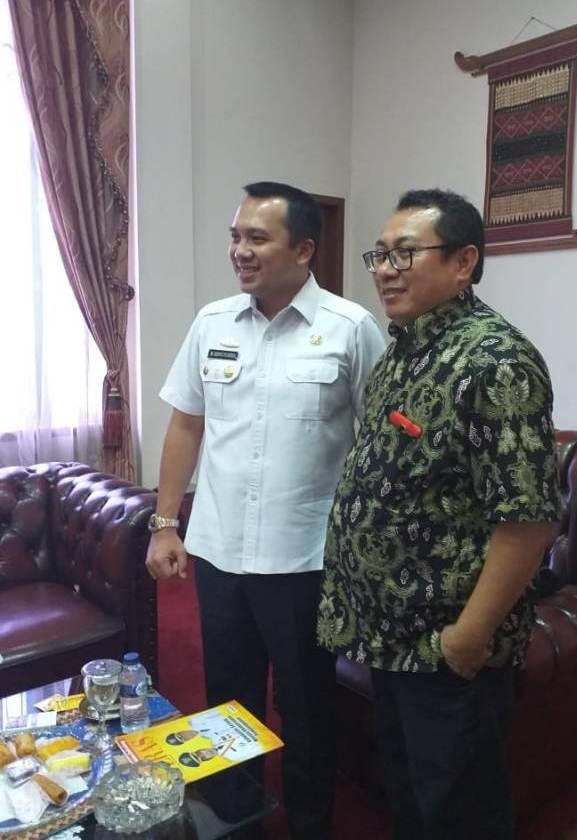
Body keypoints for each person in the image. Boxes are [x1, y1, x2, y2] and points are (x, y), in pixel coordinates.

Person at [317, 188, 562, 840]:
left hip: (445, 647)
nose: (385, 269)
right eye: (379, 254)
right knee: (408, 795)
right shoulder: (404, 350)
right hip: (389, 637)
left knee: (458, 810)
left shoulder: (496, 363)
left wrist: (467, 637)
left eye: (405, 253)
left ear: (463, 263)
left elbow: (529, 518)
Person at [145, 181, 386, 840]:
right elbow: (186, 425)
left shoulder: (350, 329)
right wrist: (165, 524)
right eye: (235, 236)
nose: (239, 251)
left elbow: (378, 444)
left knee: (308, 706)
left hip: (305, 558)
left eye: (257, 238)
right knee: (227, 699)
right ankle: (234, 821)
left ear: (303, 250)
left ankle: (310, 825)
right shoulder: (212, 323)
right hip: (219, 550)